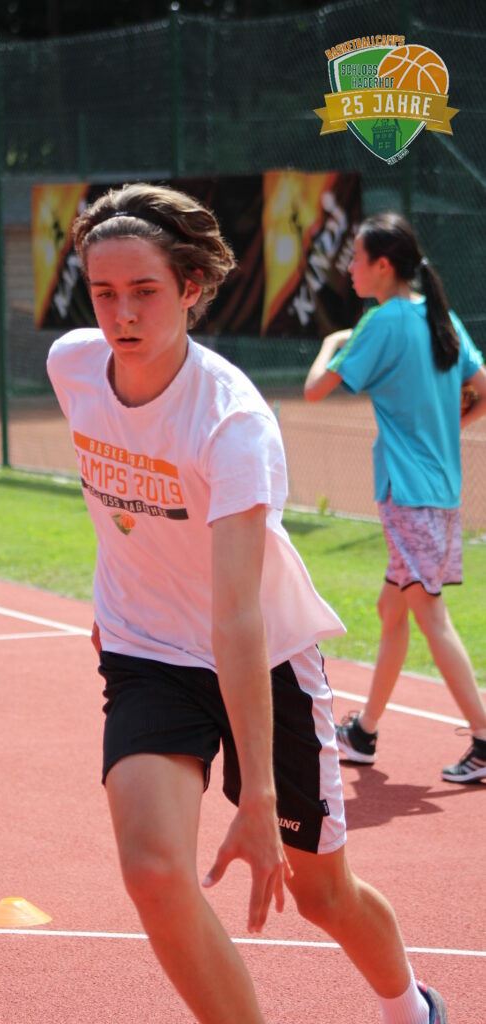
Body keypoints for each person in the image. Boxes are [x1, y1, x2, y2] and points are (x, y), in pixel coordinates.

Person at [47, 183, 447, 1024]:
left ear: (190, 287)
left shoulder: (232, 421)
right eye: (104, 293)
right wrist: (121, 590)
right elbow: (123, 501)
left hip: (261, 660)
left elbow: (237, 614)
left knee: (321, 894)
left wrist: (257, 795)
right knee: (153, 872)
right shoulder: (72, 366)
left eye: (144, 291)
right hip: (147, 653)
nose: (122, 314)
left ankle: (412, 1009)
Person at [304, 211, 486, 785]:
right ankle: (363, 733)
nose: (350, 269)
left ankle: (484, 738)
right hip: (436, 493)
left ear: (383, 265)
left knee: (430, 615)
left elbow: (315, 390)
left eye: (356, 259)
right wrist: (450, 428)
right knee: (392, 611)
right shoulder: (438, 316)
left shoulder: (380, 322)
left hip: (408, 496)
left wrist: (332, 341)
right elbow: (482, 387)